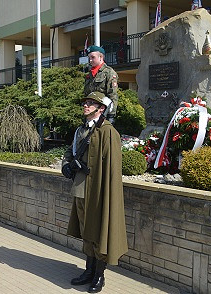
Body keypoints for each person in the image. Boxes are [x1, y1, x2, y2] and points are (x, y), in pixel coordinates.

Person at [61, 92, 128, 293]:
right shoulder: (81, 130)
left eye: (91, 103)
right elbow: (70, 151)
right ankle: (89, 270)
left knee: (99, 230)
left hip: (98, 190)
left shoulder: (108, 132)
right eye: (85, 103)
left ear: (101, 108)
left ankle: (99, 275)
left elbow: (113, 169)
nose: (86, 106)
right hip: (81, 188)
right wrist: (66, 165)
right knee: (86, 230)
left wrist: (106, 192)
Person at [84, 45, 118, 124]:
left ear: (101, 57)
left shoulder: (109, 72)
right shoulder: (89, 74)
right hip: (91, 112)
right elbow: (87, 94)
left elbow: (112, 94)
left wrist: (111, 115)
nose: (90, 60)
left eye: (93, 57)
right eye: (89, 58)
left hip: (103, 112)